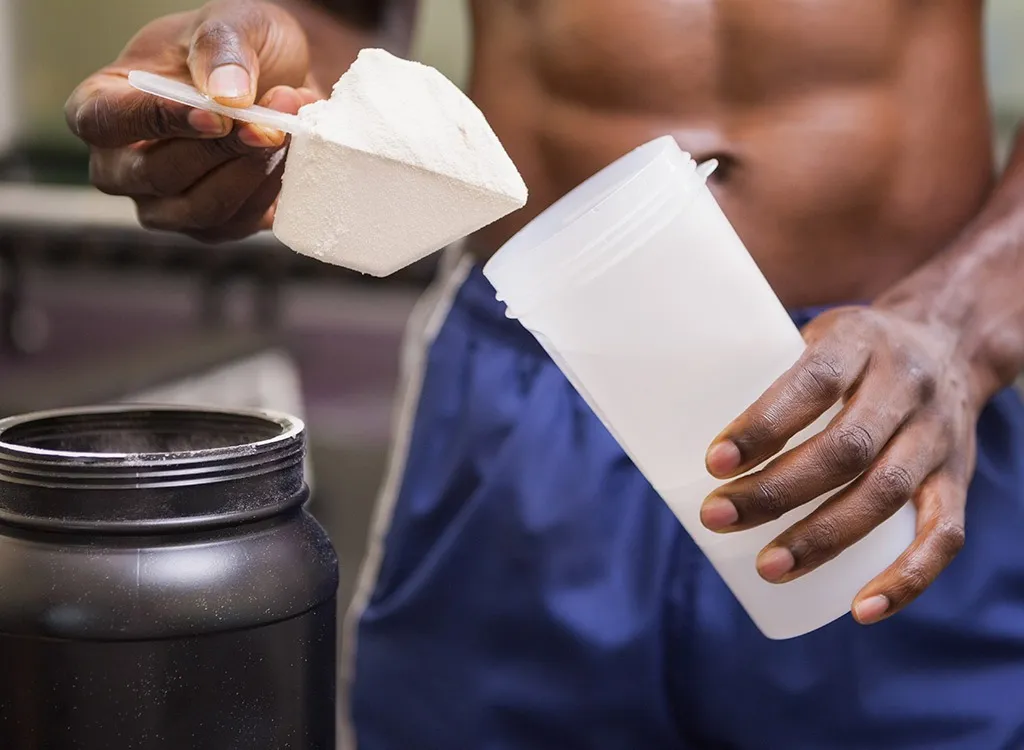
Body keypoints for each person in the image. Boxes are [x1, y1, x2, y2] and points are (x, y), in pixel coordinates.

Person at [66, 1, 1024, 747]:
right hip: (534, 393)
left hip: (889, 395)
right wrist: (244, 102)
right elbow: (329, 28)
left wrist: (963, 325)